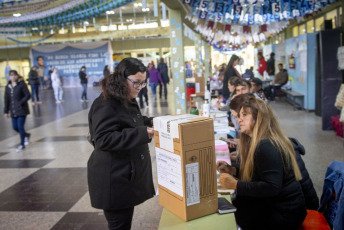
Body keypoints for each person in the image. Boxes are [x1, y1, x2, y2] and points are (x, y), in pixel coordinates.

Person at [217, 96, 307, 230]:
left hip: (285, 213)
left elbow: (271, 187)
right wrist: (233, 170)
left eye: (245, 115)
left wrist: (236, 184)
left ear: (258, 119)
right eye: (239, 116)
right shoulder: (260, 141)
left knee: (232, 215)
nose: (239, 119)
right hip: (279, 206)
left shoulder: (266, 146)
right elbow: (258, 172)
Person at [87, 57, 155, 230]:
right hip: (112, 179)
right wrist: (142, 133)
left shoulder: (124, 97)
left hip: (123, 175)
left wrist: (152, 122)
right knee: (119, 225)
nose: (140, 88)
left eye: (143, 83)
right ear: (122, 78)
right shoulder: (106, 103)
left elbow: (128, 122)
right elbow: (103, 139)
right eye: (137, 83)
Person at [3, 70, 31, 152]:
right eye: (11, 75)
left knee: (20, 127)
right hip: (13, 110)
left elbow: (27, 95)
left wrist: (21, 102)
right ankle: (26, 135)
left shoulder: (21, 85)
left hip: (22, 110)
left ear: (17, 76)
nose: (13, 77)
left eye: (15, 75)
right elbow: (6, 99)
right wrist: (6, 111)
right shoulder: (7, 87)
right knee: (15, 127)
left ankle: (22, 144)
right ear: (9, 76)